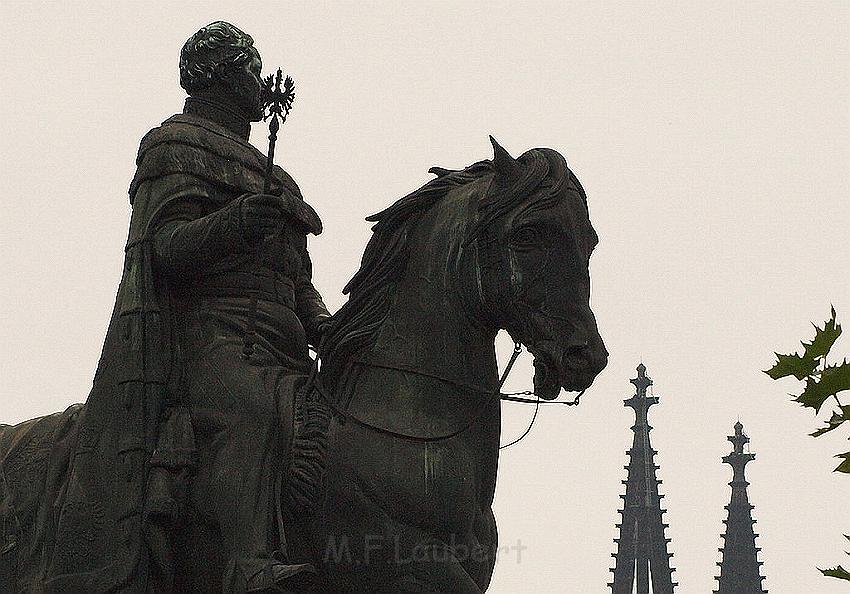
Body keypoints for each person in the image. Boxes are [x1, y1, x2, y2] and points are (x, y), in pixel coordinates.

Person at [40, 21, 330, 593]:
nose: (260, 81)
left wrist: (330, 328)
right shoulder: (175, 145)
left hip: (285, 341)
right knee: (252, 410)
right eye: (250, 67)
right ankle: (247, 564)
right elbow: (166, 250)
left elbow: (297, 282)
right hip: (211, 336)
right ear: (216, 74)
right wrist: (238, 221)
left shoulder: (278, 176)